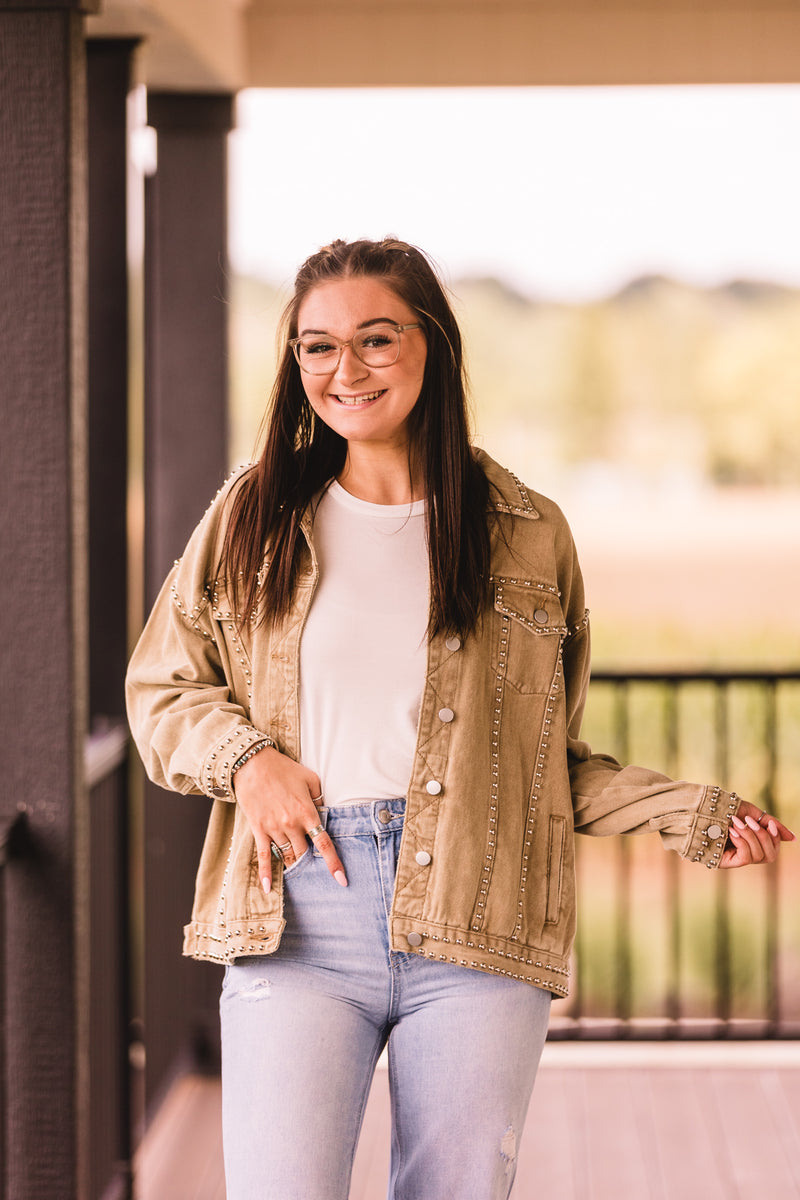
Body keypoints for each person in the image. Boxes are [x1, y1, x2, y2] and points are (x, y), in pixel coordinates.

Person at [126, 236, 794, 1200]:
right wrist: (250, 761)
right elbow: (161, 691)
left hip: (483, 919)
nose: (343, 370)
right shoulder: (254, 515)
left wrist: (684, 813)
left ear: (432, 344)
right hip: (299, 918)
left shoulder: (526, 530)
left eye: (375, 339)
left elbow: (536, 763)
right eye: (316, 347)